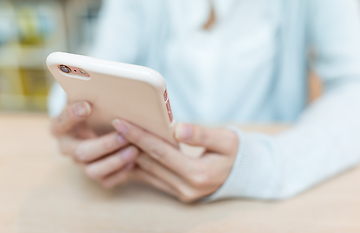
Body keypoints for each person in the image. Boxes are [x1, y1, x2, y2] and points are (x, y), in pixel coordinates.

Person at [48, 0, 360, 202]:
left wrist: (262, 165)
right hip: (144, 190)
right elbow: (97, 64)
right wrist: (79, 120)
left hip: (267, 200)